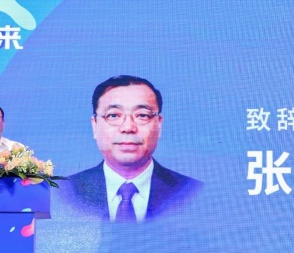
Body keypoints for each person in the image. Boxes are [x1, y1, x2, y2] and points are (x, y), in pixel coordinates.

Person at [65, 75, 202, 222]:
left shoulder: (193, 192)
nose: (128, 127)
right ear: (95, 126)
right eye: (113, 115)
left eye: (142, 115)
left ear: (159, 125)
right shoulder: (64, 192)